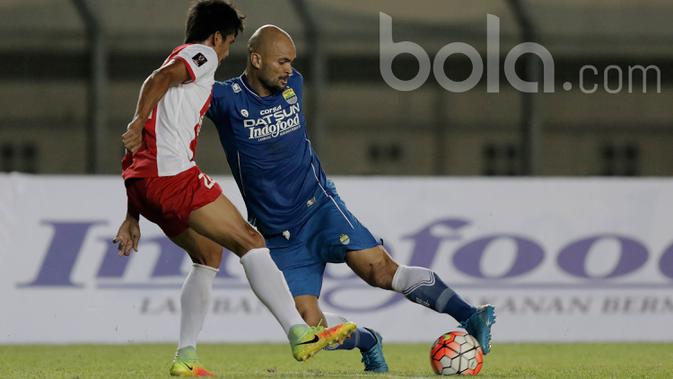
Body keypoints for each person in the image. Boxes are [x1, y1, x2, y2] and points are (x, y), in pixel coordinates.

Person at [206, 25, 497, 373]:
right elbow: (182, 92)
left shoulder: (292, 87)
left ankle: (470, 315)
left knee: (379, 270)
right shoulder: (225, 99)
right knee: (310, 328)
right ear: (255, 59)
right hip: (277, 233)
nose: (289, 70)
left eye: (291, 62)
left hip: (319, 208)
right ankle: (368, 341)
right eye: (282, 61)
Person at [113, 2, 355, 377]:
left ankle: (186, 357)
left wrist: (132, 214)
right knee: (251, 241)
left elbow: (139, 148)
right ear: (216, 37)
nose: (226, 53)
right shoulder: (202, 54)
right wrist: (137, 118)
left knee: (208, 255)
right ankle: (299, 333)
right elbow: (157, 79)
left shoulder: (183, 64)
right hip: (174, 178)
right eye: (229, 43)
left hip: (143, 183)